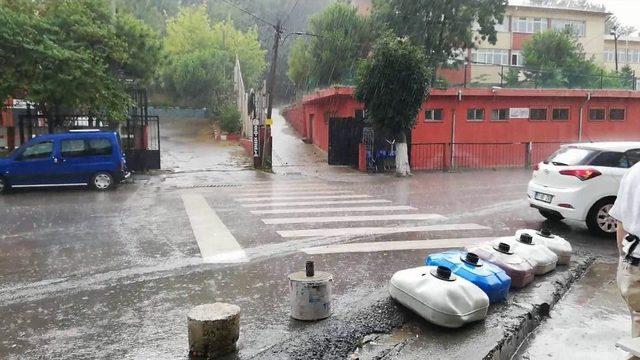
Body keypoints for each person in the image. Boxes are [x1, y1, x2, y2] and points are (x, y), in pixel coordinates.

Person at [610, 161, 640, 359]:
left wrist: (623, 260)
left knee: (638, 327)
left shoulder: (634, 172)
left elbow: (620, 223)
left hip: (632, 264)